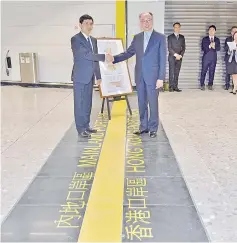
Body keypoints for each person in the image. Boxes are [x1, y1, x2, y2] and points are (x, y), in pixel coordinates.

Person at [111, 12, 166, 138]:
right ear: (140, 23)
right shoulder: (137, 38)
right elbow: (128, 53)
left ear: (152, 21)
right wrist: (113, 59)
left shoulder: (160, 38)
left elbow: (163, 59)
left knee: (153, 103)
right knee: (141, 102)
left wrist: (161, 78)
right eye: (143, 20)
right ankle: (143, 126)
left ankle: (153, 128)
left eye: (148, 20)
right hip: (140, 76)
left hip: (153, 77)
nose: (146, 23)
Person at [71, 14, 112, 138]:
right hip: (80, 77)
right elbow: (86, 55)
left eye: (90, 23)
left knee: (88, 103)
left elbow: (95, 60)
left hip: (90, 77)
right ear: (80, 25)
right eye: (86, 23)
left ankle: (86, 126)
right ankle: (80, 128)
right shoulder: (76, 39)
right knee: (80, 103)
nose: (89, 26)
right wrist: (105, 57)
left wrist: (98, 76)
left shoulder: (93, 40)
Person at [200, 25, 220, 90]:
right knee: (203, 71)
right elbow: (203, 48)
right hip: (206, 58)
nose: (211, 31)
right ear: (208, 31)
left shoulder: (217, 39)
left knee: (212, 72)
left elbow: (218, 48)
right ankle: (202, 84)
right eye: (210, 30)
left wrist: (214, 47)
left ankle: (210, 84)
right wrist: (209, 46)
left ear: (215, 31)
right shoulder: (204, 39)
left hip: (213, 58)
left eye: (213, 30)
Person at [167, 22, 186, 92]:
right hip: (172, 57)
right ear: (173, 28)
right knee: (171, 72)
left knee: (177, 72)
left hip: (179, 58)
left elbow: (183, 48)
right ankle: (171, 87)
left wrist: (180, 55)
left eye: (178, 27)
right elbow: (169, 48)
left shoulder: (182, 37)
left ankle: (175, 87)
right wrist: (176, 55)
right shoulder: (170, 37)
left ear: (180, 28)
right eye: (175, 27)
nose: (177, 28)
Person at [224, 26, 237, 90]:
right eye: (233, 31)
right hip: (229, 58)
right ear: (231, 32)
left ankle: (234, 86)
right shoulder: (228, 39)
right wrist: (230, 48)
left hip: (236, 58)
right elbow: (225, 48)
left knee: (235, 73)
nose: (234, 32)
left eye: (236, 31)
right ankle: (227, 85)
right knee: (228, 72)